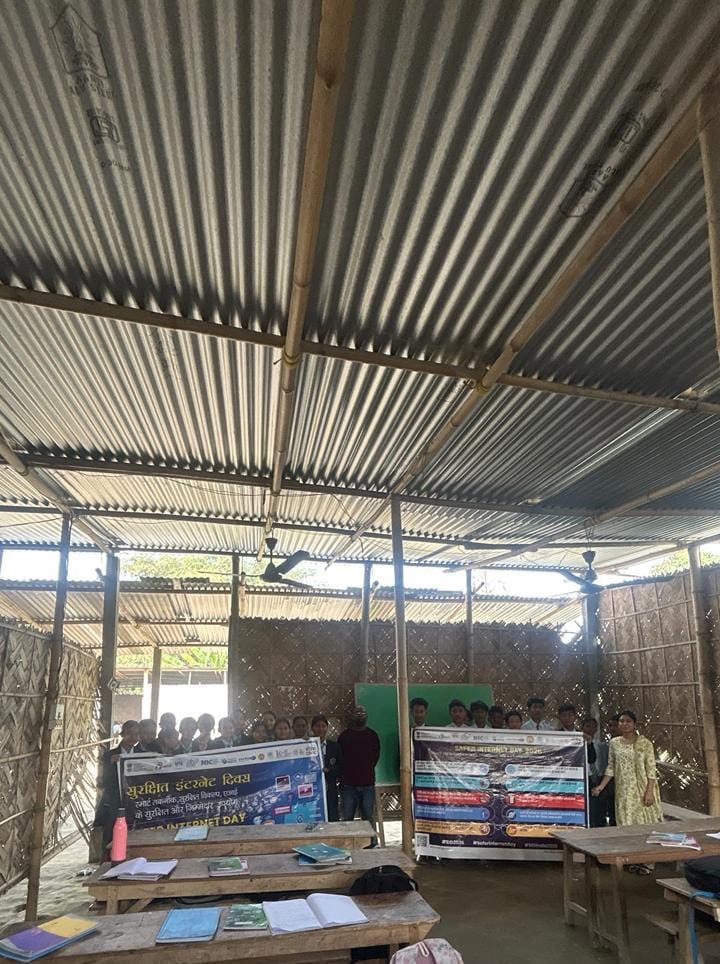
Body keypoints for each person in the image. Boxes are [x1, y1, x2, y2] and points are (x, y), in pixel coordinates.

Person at [592, 710, 662, 871]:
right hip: (623, 792)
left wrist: (649, 792)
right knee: (626, 825)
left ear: (634, 724)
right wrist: (601, 786)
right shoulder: (614, 743)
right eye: (622, 721)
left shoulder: (645, 743)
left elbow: (651, 770)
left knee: (645, 825)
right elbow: (611, 768)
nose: (624, 724)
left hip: (642, 790)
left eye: (628, 721)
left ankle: (648, 861)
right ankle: (633, 858)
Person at [93, 720, 139, 846]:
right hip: (115, 801)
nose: (133, 737)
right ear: (122, 734)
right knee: (111, 834)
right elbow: (104, 781)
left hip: (135, 801)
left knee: (133, 833)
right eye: (129, 733)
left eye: (136, 734)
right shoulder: (110, 755)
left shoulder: (141, 755)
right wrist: (111, 763)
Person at [338, 705, 380, 833]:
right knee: (347, 818)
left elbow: (376, 756)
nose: (360, 715)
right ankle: (348, 841)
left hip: (367, 784)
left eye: (363, 713)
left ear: (367, 716)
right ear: (352, 716)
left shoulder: (372, 735)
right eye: (357, 713)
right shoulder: (344, 736)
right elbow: (340, 759)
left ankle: (371, 842)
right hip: (348, 785)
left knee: (368, 817)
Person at [312, 714, 343, 822]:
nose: (320, 729)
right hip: (313, 790)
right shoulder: (307, 746)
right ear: (312, 728)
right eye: (317, 726)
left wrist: (329, 770)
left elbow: (341, 767)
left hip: (330, 789)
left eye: (323, 726)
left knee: (332, 817)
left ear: (327, 728)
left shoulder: (334, 746)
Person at [583, 716, 611, 828]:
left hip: (600, 779)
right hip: (587, 778)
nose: (590, 729)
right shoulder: (578, 744)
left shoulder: (601, 746)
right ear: (582, 727)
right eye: (587, 726)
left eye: (593, 727)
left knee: (600, 809)